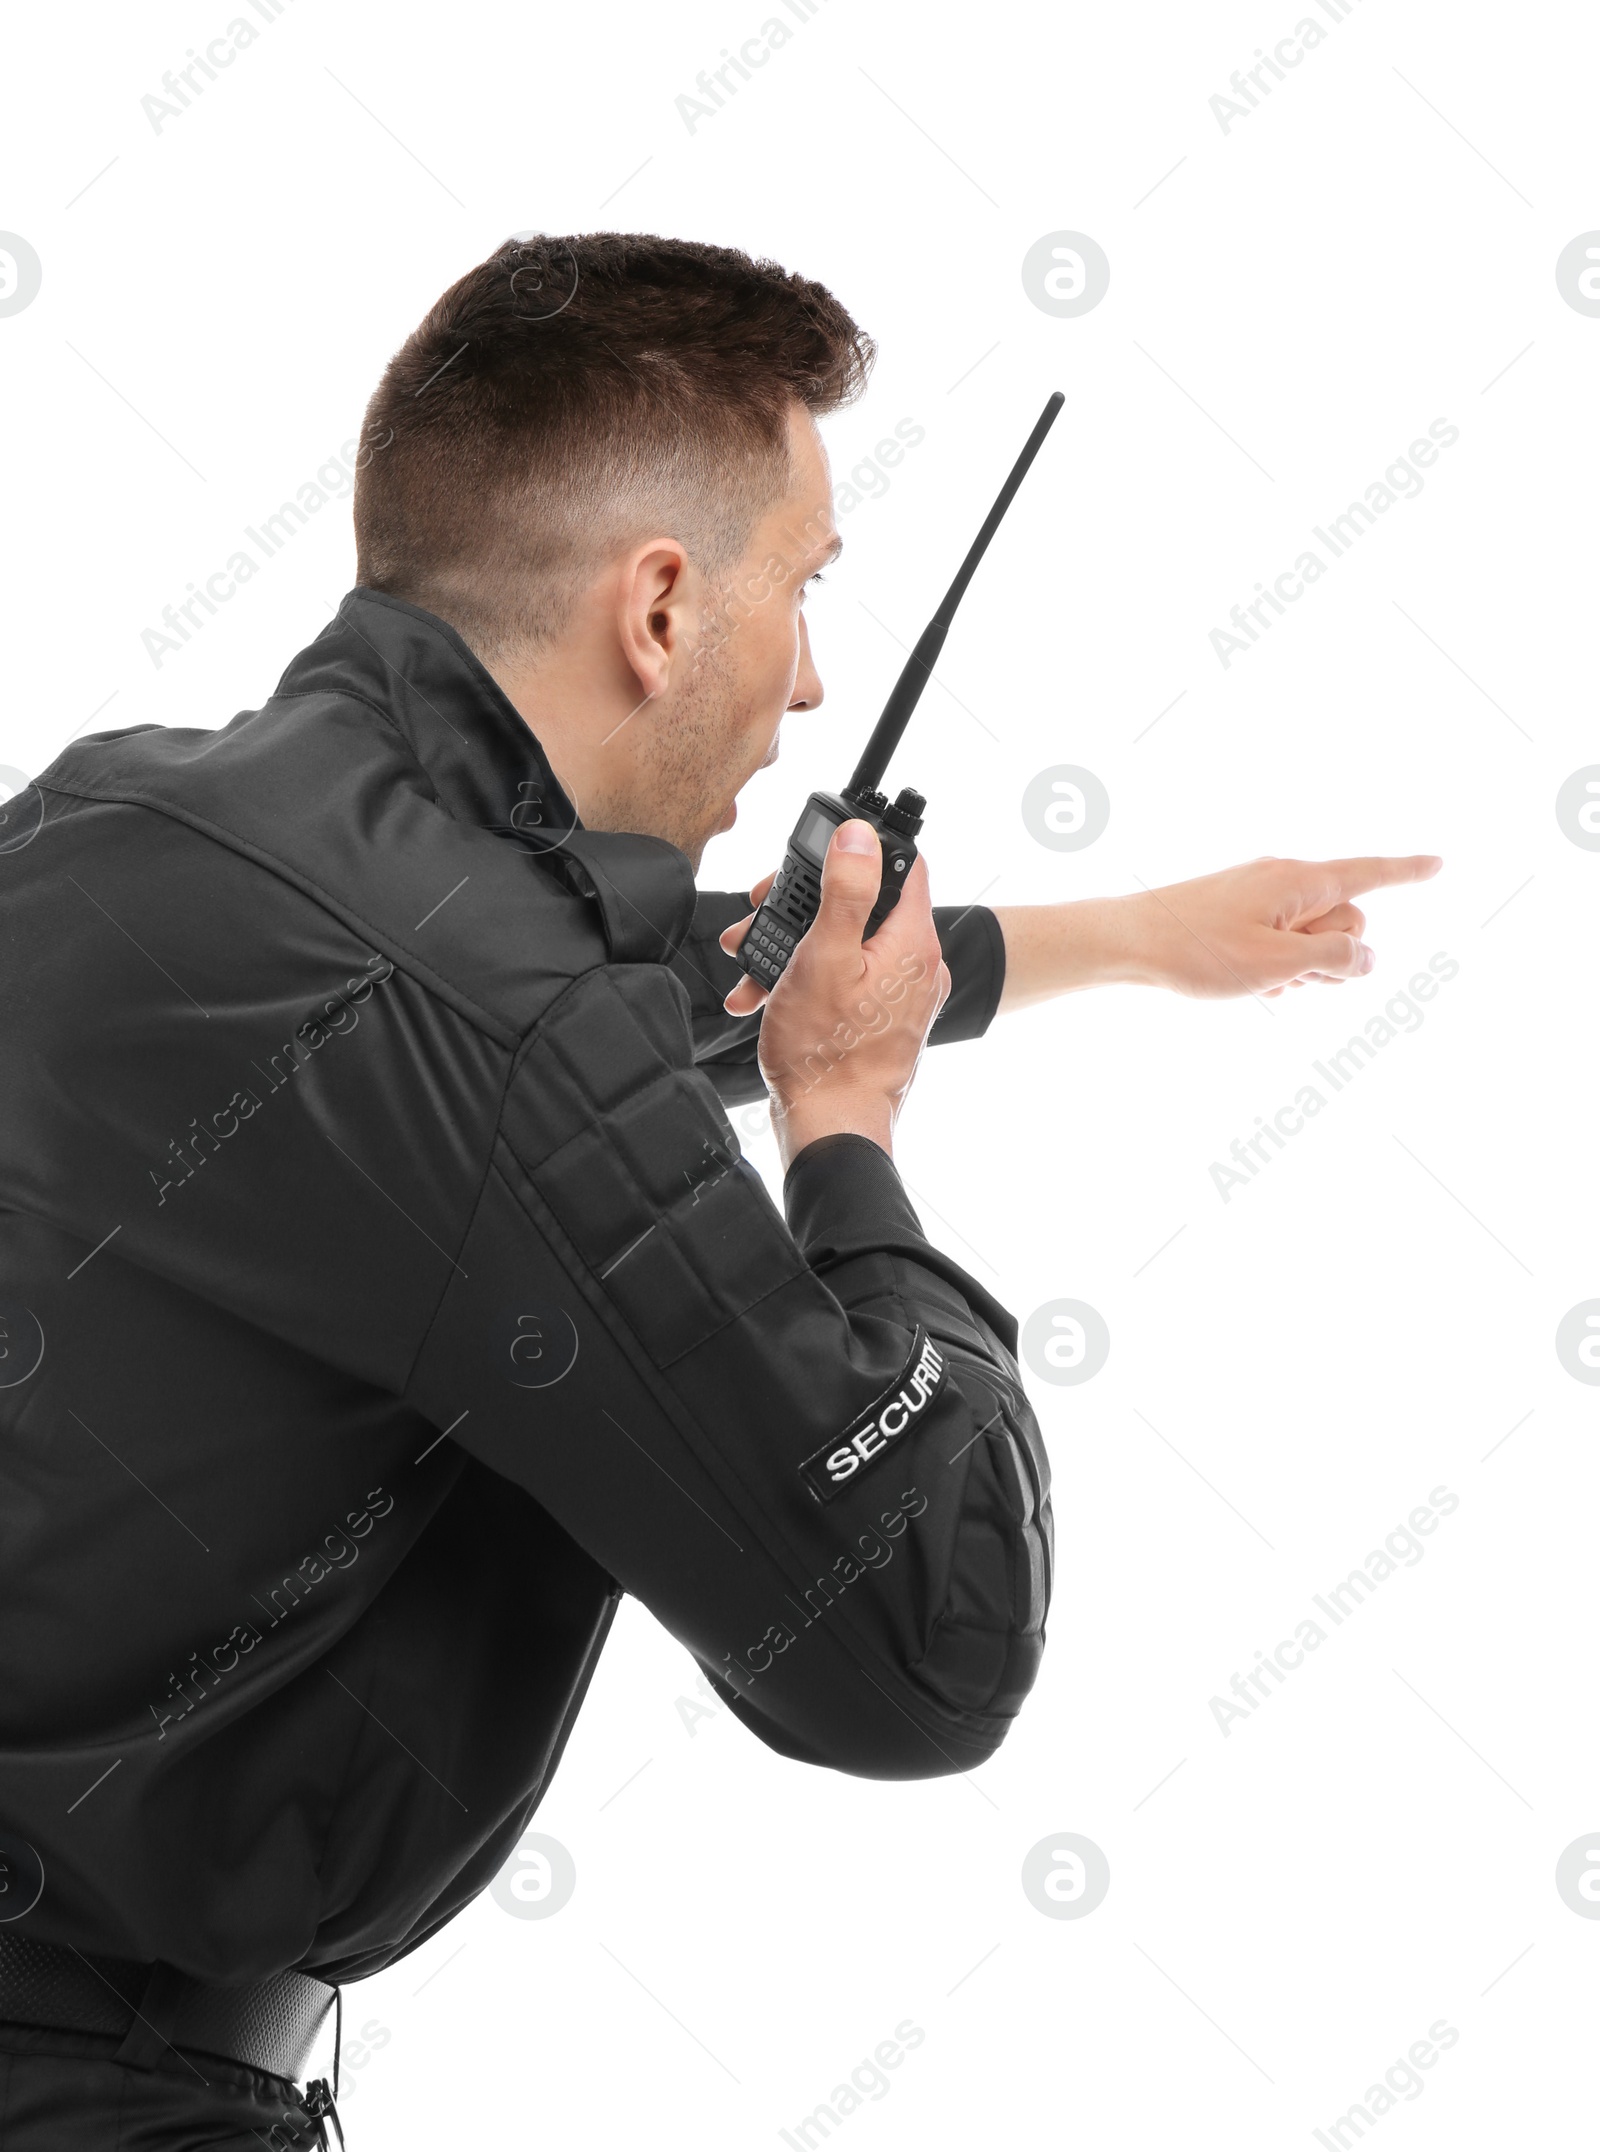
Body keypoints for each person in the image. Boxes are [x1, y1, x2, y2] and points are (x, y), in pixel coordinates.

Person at [0, 232, 1439, 2148]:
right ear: (662, 609)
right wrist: (846, 1123)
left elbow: (640, 985)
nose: (820, 677)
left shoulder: (112, 819)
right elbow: (921, 1643)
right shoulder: (503, 1030)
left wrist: (1137, 937)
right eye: (806, 586)